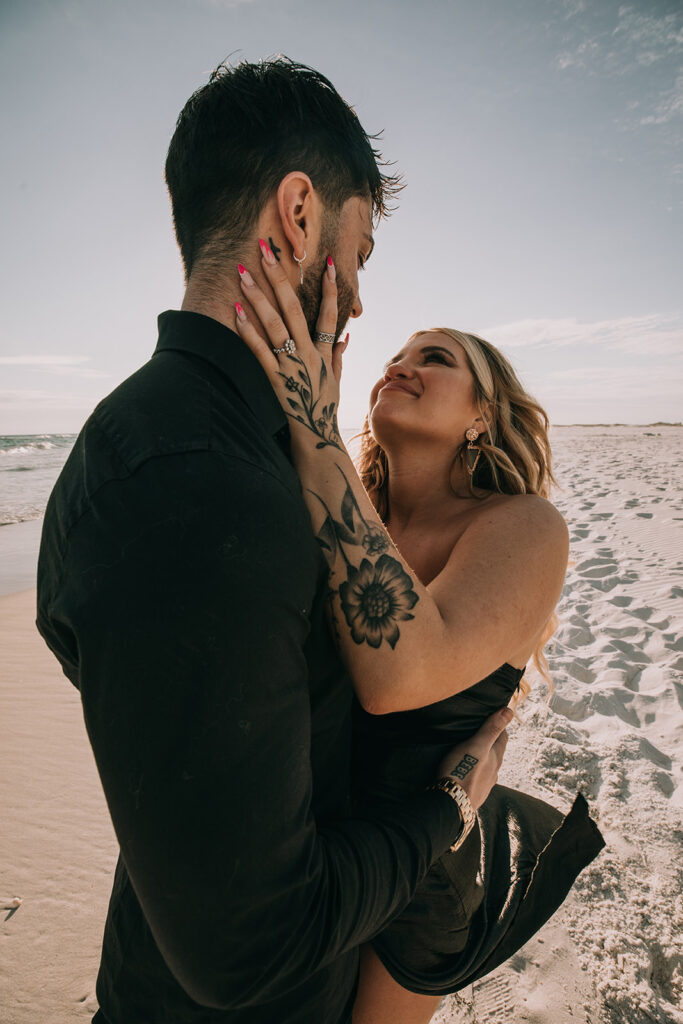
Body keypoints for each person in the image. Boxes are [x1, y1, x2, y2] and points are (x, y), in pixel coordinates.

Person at [36, 57, 516, 1024]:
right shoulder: (200, 484)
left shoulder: (179, 442)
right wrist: (448, 810)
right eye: (363, 251)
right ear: (300, 214)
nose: (366, 303)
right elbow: (250, 952)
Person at [231, 253, 605, 1023]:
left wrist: (313, 425)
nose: (398, 368)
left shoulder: (519, 525)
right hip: (300, 838)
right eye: (394, 358)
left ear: (482, 416)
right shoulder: (337, 512)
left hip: (419, 866)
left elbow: (397, 676)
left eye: (433, 359)